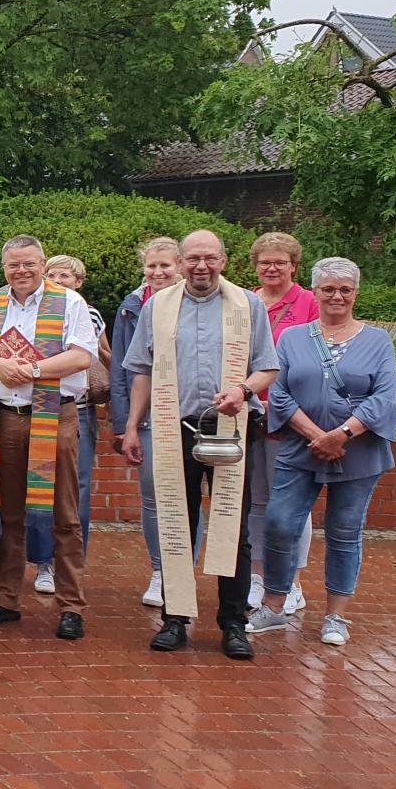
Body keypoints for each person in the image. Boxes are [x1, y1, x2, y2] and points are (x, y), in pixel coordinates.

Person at [121, 230, 279, 660]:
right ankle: (175, 619)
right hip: (173, 429)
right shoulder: (158, 306)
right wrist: (132, 427)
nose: (201, 266)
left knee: (234, 531)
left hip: (231, 428)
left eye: (210, 258)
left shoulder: (247, 305)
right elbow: (141, 370)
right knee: (177, 524)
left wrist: (243, 390)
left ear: (224, 260)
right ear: (181, 262)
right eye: (193, 258)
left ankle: (234, 623)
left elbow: (267, 367)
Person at [245, 257, 396, 648]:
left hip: (358, 453)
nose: (337, 296)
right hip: (301, 447)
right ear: (315, 292)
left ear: (356, 293)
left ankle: (336, 616)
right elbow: (279, 393)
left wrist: (342, 434)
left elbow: (383, 398)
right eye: (328, 289)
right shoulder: (293, 338)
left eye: (345, 289)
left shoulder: (378, 340)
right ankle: (274, 606)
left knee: (345, 531)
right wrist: (316, 435)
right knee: (279, 523)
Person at [0, 237, 97, 641]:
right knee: (7, 511)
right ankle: (5, 599)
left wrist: (32, 371)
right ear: (4, 267)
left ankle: (71, 606)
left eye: (29, 264)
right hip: (6, 417)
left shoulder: (69, 302)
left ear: (42, 262)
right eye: (13, 265)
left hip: (55, 416)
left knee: (64, 513)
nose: (21, 271)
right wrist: (0, 364)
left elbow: (82, 355)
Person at [27, 254, 107, 598]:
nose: (58, 281)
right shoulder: (33, 310)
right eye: (53, 275)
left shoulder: (87, 313)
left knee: (78, 489)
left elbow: (96, 355)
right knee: (39, 484)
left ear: (79, 282)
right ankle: (44, 562)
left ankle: (71, 560)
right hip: (37, 407)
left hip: (78, 409)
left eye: (66, 276)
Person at [248, 231, 319, 612]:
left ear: (294, 266)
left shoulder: (309, 303)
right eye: (265, 262)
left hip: (290, 417)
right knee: (257, 500)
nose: (272, 268)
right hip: (249, 413)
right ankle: (259, 577)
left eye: (280, 262)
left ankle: (292, 581)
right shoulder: (245, 300)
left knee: (291, 503)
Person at [110, 236, 182, 608]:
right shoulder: (132, 306)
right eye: (151, 266)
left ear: (180, 266)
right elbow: (122, 366)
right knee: (153, 497)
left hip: (189, 413)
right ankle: (160, 571)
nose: (157, 272)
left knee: (189, 496)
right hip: (147, 415)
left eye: (165, 265)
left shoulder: (196, 303)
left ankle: (183, 570)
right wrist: (124, 423)